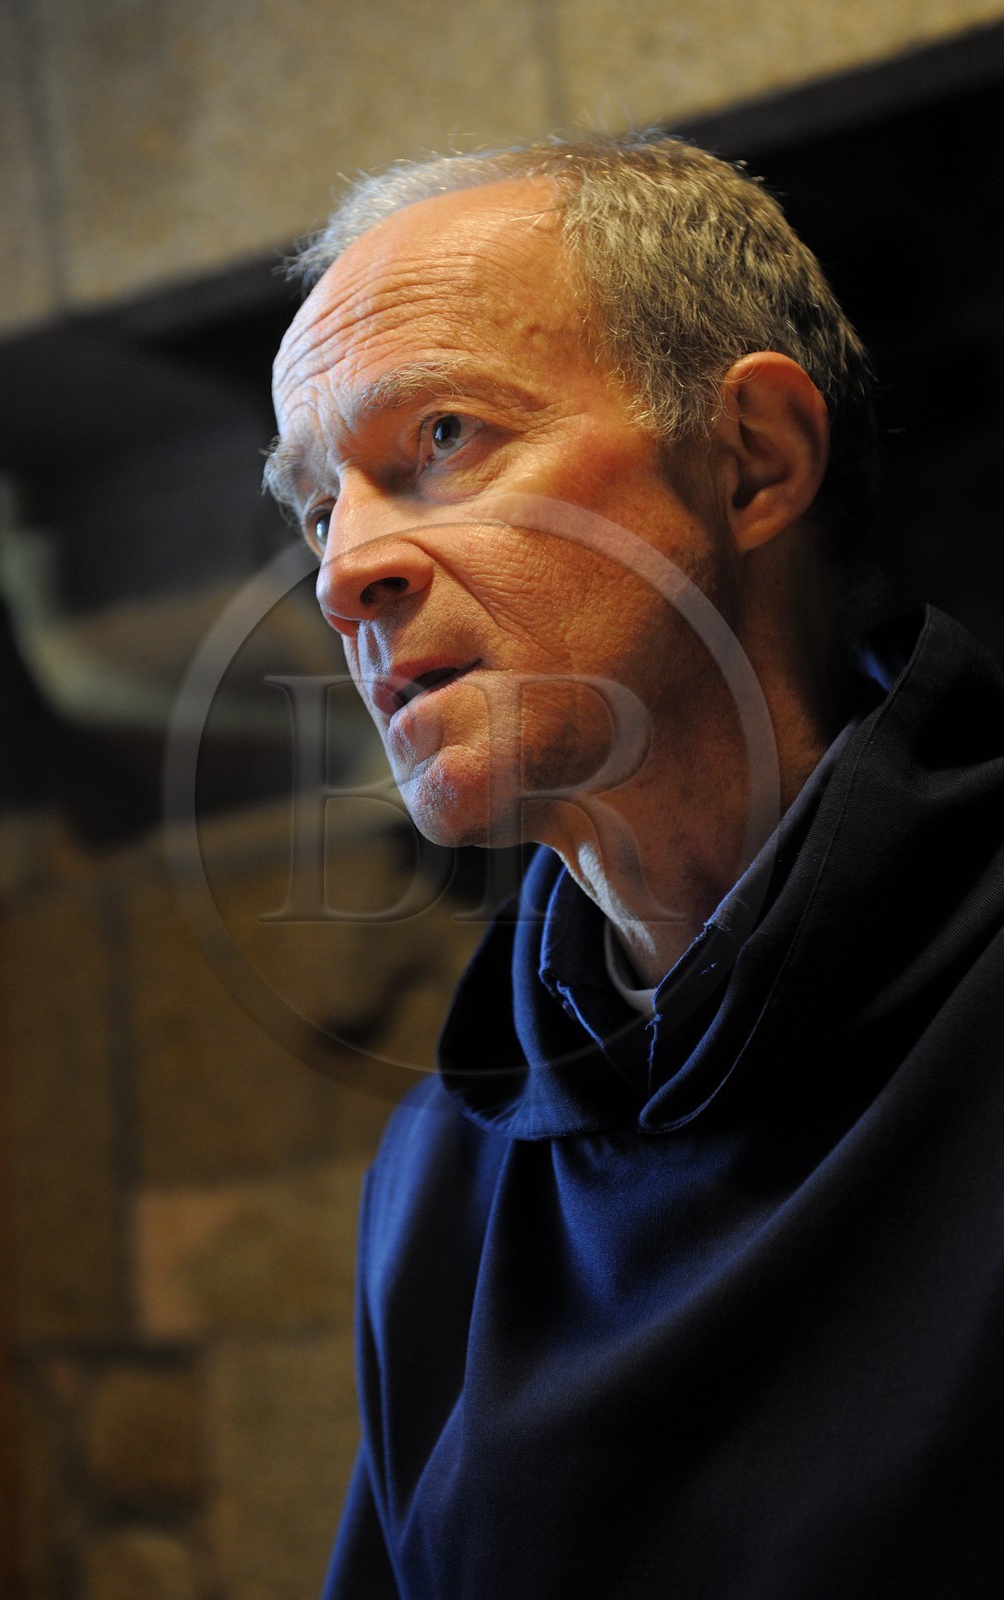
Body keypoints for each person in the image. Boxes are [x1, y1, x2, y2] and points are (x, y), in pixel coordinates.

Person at [266, 131, 1004, 1598]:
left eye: (444, 436)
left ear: (754, 460)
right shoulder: (441, 1168)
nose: (343, 573)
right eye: (318, 506)